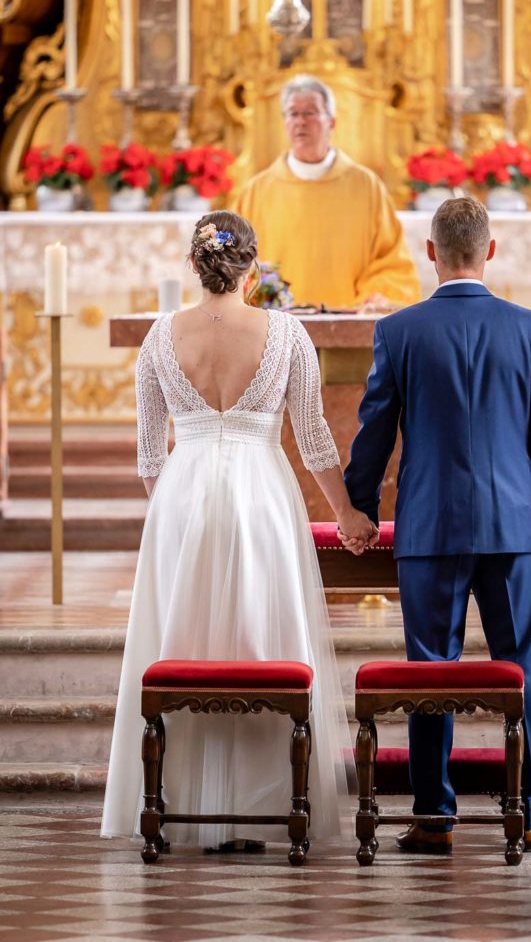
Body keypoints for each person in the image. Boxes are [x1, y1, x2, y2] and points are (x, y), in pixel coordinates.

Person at [101, 210, 376, 849]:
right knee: (263, 639)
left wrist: (175, 506)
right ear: (253, 271)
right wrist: (348, 516)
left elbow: (148, 455)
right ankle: (269, 804)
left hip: (182, 498)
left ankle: (176, 804)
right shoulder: (284, 333)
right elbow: (313, 441)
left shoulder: (160, 337)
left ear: (193, 266)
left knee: (184, 644)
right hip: (262, 496)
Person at [342, 197, 531, 854]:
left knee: (428, 670)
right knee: (521, 667)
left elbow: (374, 432)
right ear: (489, 250)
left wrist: (360, 508)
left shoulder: (399, 331)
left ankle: (433, 813)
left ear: (430, 253)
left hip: (429, 525)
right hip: (511, 525)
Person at [234, 75, 421, 310]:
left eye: (310, 113)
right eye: (293, 113)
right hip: (275, 329)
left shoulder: (366, 187)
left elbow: (391, 261)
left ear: (331, 122)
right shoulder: (256, 191)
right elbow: (236, 261)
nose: (301, 121)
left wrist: (374, 297)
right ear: (284, 123)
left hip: (346, 321)